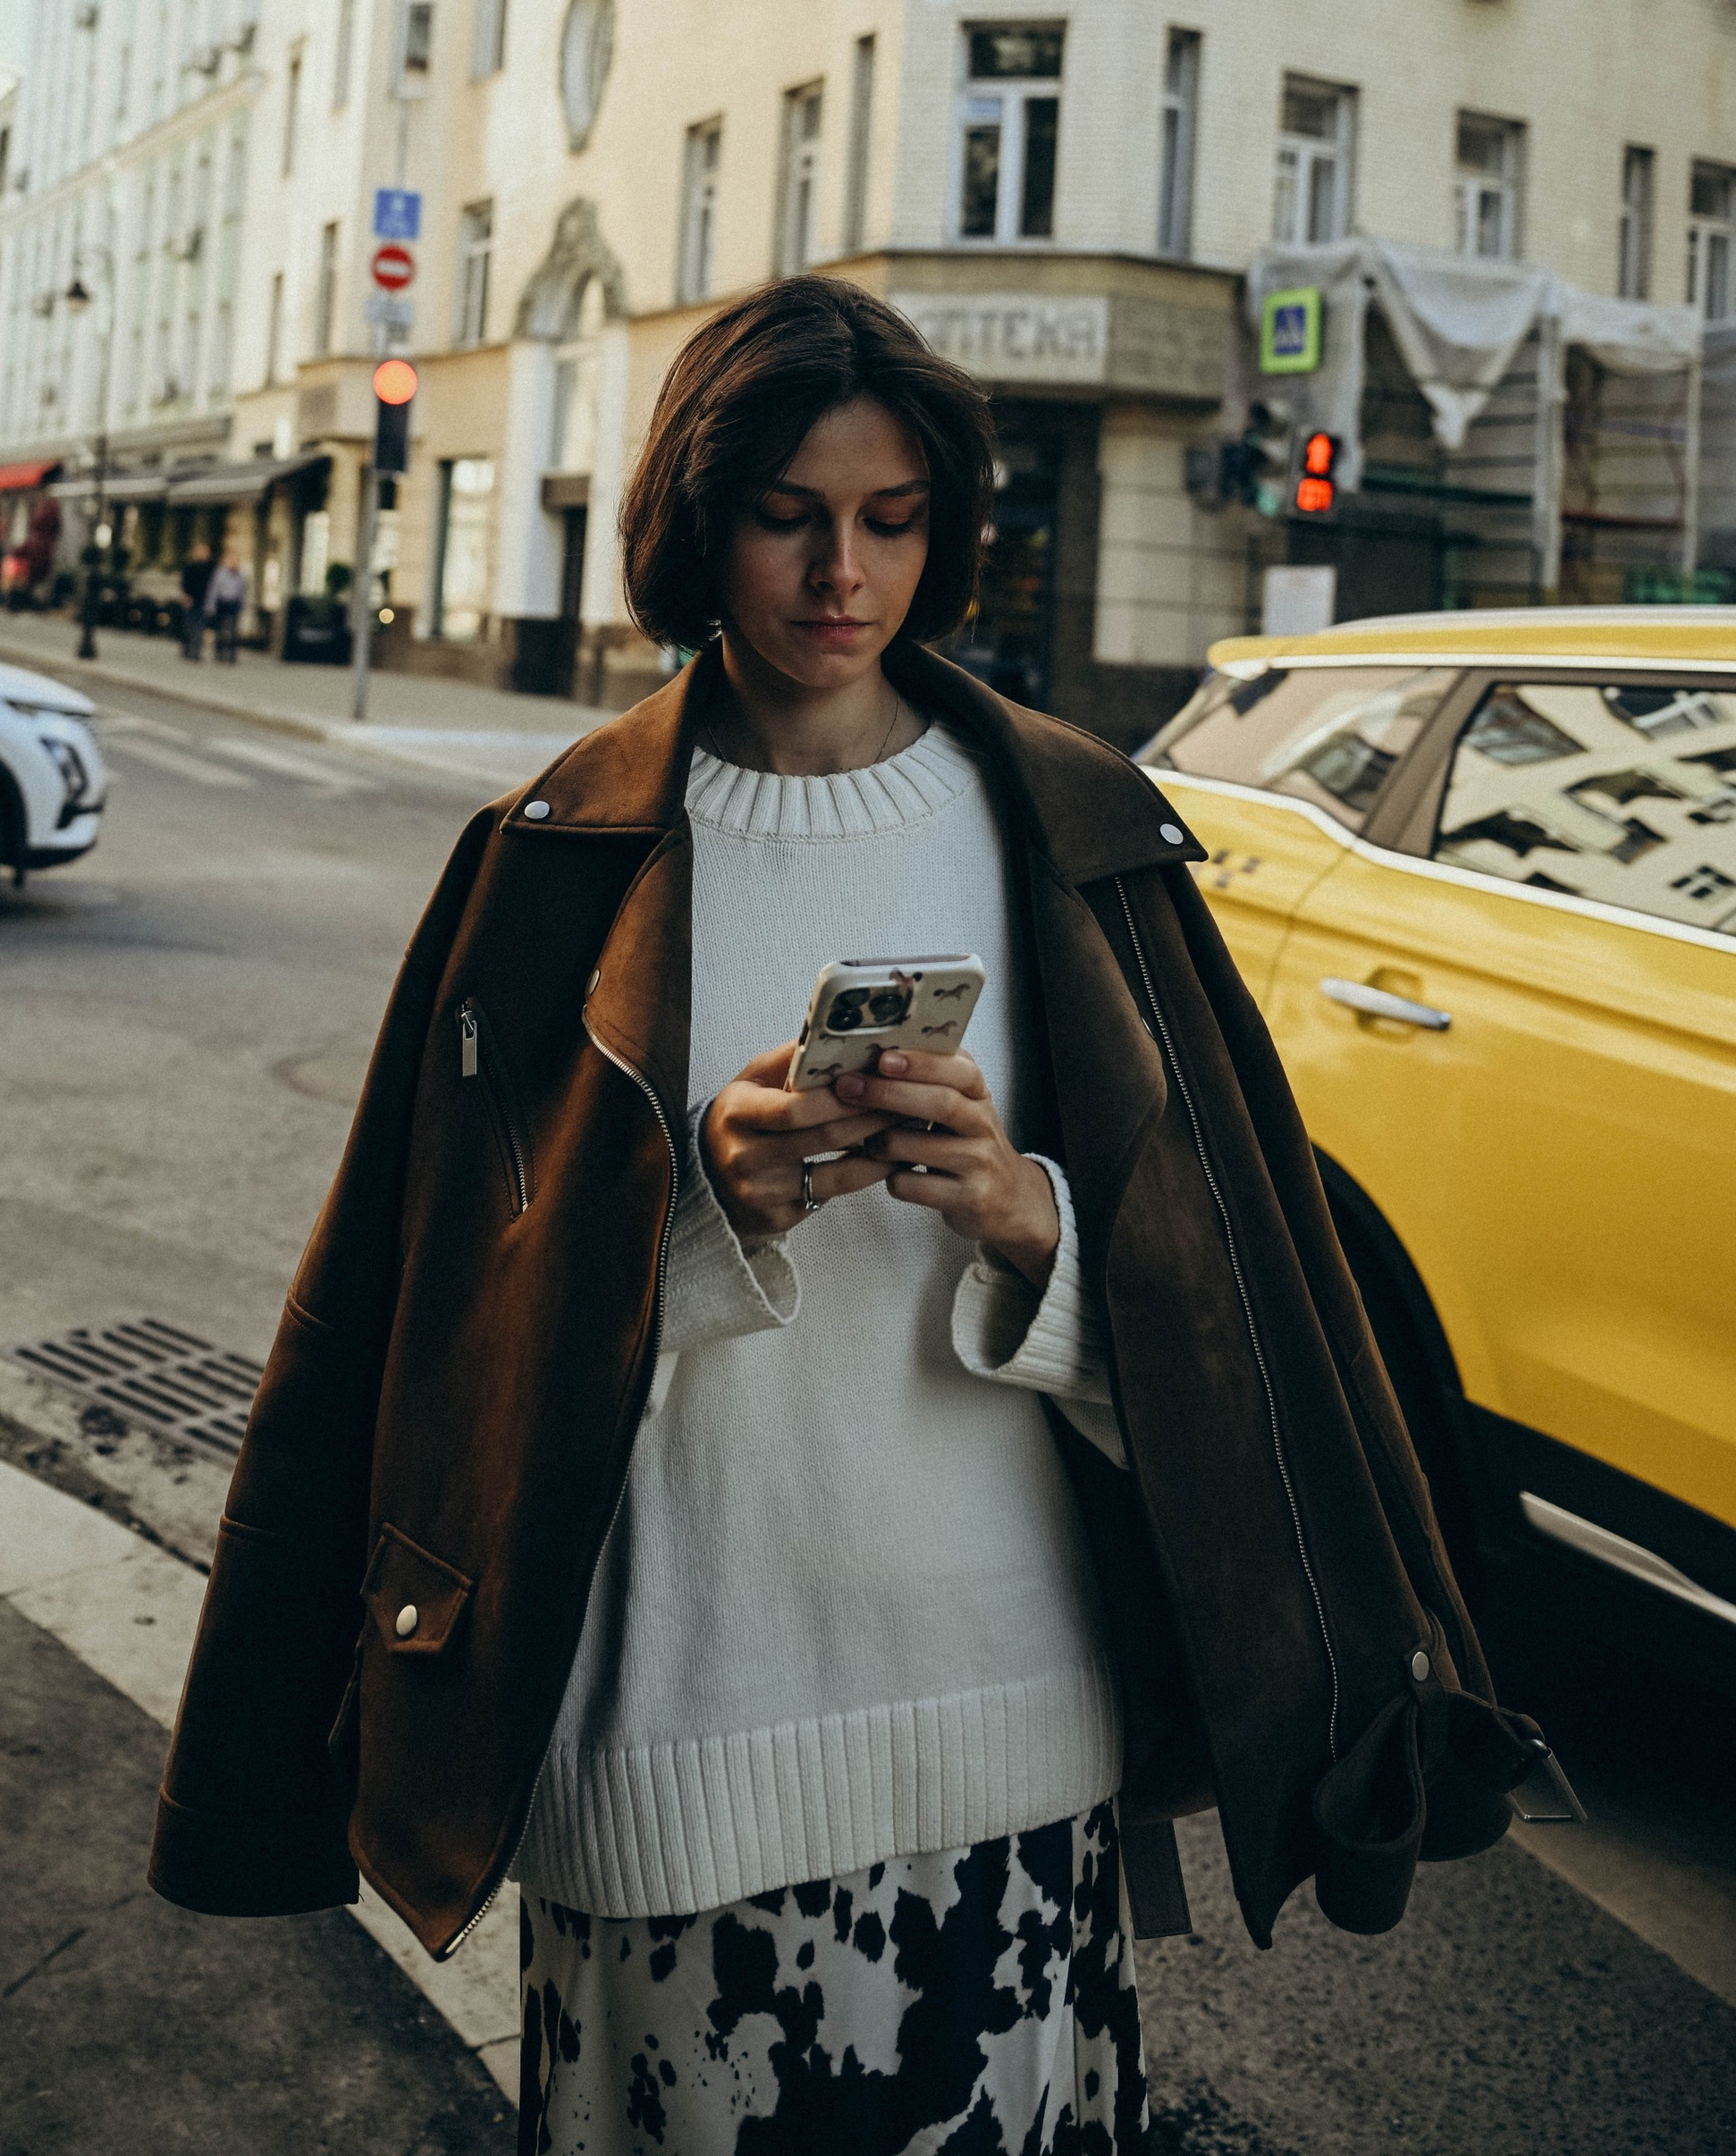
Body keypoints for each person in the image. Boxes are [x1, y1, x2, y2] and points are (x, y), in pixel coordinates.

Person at [148, 279, 1550, 2151]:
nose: (841, 576)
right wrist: (697, 1217)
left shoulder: (1070, 830)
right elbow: (436, 1353)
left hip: (1011, 1745)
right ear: (693, 521)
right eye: (787, 516)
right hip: (663, 1759)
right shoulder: (556, 853)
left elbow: (1244, 1317)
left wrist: (1034, 1229)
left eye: (891, 522)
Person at [206, 544, 249, 664]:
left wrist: (242, 605)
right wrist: (211, 606)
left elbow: (243, 592)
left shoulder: (240, 575)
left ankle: (231, 655)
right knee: (220, 630)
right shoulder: (220, 573)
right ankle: (219, 653)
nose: (233, 562)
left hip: (234, 603)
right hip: (222, 603)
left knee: (234, 631)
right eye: (231, 559)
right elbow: (213, 590)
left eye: (235, 560)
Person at [177, 539, 215, 665]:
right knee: (189, 627)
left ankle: (195, 652)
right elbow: (184, 583)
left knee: (199, 628)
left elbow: (213, 586)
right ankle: (187, 650)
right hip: (190, 600)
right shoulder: (190, 567)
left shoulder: (211, 569)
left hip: (204, 601)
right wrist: (186, 596)